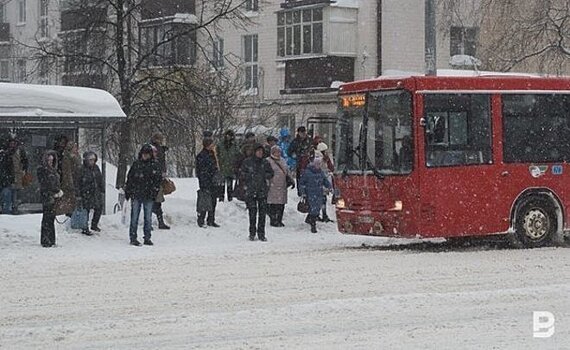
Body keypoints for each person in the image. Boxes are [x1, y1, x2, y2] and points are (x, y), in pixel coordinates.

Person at [124, 144, 162, 246]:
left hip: (147, 195)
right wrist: (128, 191)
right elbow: (130, 179)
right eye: (144, 154)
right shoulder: (137, 164)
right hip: (137, 194)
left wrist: (154, 191)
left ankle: (147, 237)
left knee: (147, 217)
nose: (145, 156)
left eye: (147, 154)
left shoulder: (154, 165)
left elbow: (157, 181)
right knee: (135, 217)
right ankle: (133, 237)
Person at [240, 144, 274, 241]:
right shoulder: (247, 162)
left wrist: (264, 176)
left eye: (261, 151)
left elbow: (271, 173)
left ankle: (261, 233)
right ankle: (252, 233)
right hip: (251, 190)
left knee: (262, 214)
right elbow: (242, 173)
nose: (260, 153)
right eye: (258, 151)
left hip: (262, 190)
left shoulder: (265, 162)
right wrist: (250, 177)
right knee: (252, 213)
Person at [299, 156, 331, 233]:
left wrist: (330, 187)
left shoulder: (321, 172)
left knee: (316, 208)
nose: (318, 165)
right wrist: (303, 192)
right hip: (310, 193)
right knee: (313, 208)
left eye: (319, 164)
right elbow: (302, 183)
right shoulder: (307, 172)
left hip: (319, 193)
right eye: (317, 164)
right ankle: (313, 225)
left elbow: (325, 181)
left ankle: (309, 219)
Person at [37, 150, 63, 247]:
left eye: (52, 160)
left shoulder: (53, 170)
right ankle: (46, 240)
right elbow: (46, 183)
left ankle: (51, 239)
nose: (50, 162)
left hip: (53, 196)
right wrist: (55, 190)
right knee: (47, 218)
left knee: (50, 218)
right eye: (49, 160)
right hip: (47, 196)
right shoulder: (42, 170)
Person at [76, 151, 104, 236]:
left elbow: (100, 178)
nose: (92, 162)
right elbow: (78, 182)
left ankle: (94, 224)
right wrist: (79, 194)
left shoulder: (96, 168)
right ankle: (85, 227)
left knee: (99, 207)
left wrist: (102, 188)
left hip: (95, 192)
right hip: (86, 192)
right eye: (90, 160)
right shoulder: (82, 169)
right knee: (86, 209)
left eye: (93, 160)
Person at [196, 138, 221, 228]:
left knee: (213, 201)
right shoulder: (202, 155)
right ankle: (201, 219)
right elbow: (201, 170)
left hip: (212, 181)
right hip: (206, 181)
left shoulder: (212, 154)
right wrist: (204, 181)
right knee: (205, 201)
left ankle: (211, 219)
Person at [266, 145, 294, 227]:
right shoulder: (268, 161)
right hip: (272, 185)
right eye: (276, 152)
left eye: (279, 152)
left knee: (281, 204)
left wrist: (292, 180)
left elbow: (287, 171)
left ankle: (279, 220)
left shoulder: (283, 160)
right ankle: (273, 220)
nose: (278, 153)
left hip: (282, 185)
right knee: (273, 204)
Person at [0, 136, 29, 214]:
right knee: (9, 195)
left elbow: (25, 162)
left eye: (14, 143)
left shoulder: (19, 151)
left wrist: (23, 171)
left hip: (16, 177)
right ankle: (11, 209)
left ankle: (13, 208)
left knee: (14, 194)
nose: (12, 145)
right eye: (11, 143)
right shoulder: (5, 153)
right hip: (8, 178)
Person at [150, 132, 170, 229]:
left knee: (156, 202)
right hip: (155, 180)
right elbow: (161, 164)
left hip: (156, 179)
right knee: (155, 202)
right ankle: (158, 221)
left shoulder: (156, 149)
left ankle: (158, 221)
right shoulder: (155, 150)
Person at [56, 141, 80, 216]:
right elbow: (67, 171)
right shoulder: (67, 157)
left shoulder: (76, 156)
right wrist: (70, 183)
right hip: (70, 182)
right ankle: (69, 215)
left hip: (76, 180)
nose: (76, 149)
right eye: (74, 147)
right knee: (69, 199)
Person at [216, 130, 241, 202]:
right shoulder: (220, 144)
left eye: (230, 135)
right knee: (222, 184)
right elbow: (217, 154)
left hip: (231, 167)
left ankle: (230, 198)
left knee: (229, 185)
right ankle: (221, 198)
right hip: (222, 167)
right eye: (227, 135)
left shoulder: (235, 145)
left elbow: (238, 154)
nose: (228, 137)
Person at [288, 126, 313, 195]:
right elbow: (289, 151)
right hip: (299, 163)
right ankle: (301, 191)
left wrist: (311, 157)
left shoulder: (309, 140)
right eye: (302, 132)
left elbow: (313, 150)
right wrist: (295, 156)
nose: (303, 134)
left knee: (310, 176)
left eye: (304, 132)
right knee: (300, 177)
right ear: (298, 133)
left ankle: (309, 190)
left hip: (309, 162)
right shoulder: (295, 141)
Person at [314, 142, 335, 222]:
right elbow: (326, 167)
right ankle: (320, 214)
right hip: (321, 180)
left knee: (322, 199)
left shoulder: (320, 157)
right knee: (321, 199)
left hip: (321, 180)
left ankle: (320, 214)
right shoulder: (320, 158)